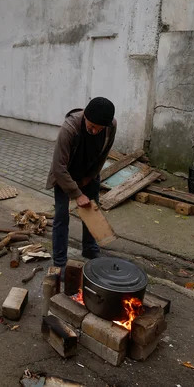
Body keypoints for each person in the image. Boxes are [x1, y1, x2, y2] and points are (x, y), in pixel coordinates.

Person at [46, 97, 117, 268]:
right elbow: (58, 167)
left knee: (91, 210)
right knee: (62, 217)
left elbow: (103, 155)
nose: (94, 131)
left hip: (89, 173)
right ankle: (60, 262)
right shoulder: (69, 128)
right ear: (85, 116)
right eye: (91, 126)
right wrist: (77, 194)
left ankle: (90, 249)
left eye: (99, 129)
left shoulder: (110, 126)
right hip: (65, 175)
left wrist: (90, 177)